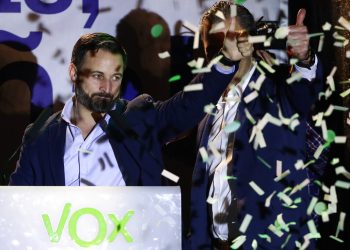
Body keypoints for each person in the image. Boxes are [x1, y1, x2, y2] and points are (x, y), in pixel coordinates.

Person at [9, 32, 246, 186]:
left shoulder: (138, 117)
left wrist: (225, 61)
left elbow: (186, 105)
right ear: (73, 72)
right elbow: (19, 207)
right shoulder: (40, 137)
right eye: (97, 75)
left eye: (116, 77)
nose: (107, 87)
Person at [188, 2, 323, 249]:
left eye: (231, 40)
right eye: (214, 47)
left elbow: (305, 92)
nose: (225, 52)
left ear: (251, 42)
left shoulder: (279, 90)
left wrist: (304, 58)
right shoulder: (203, 106)